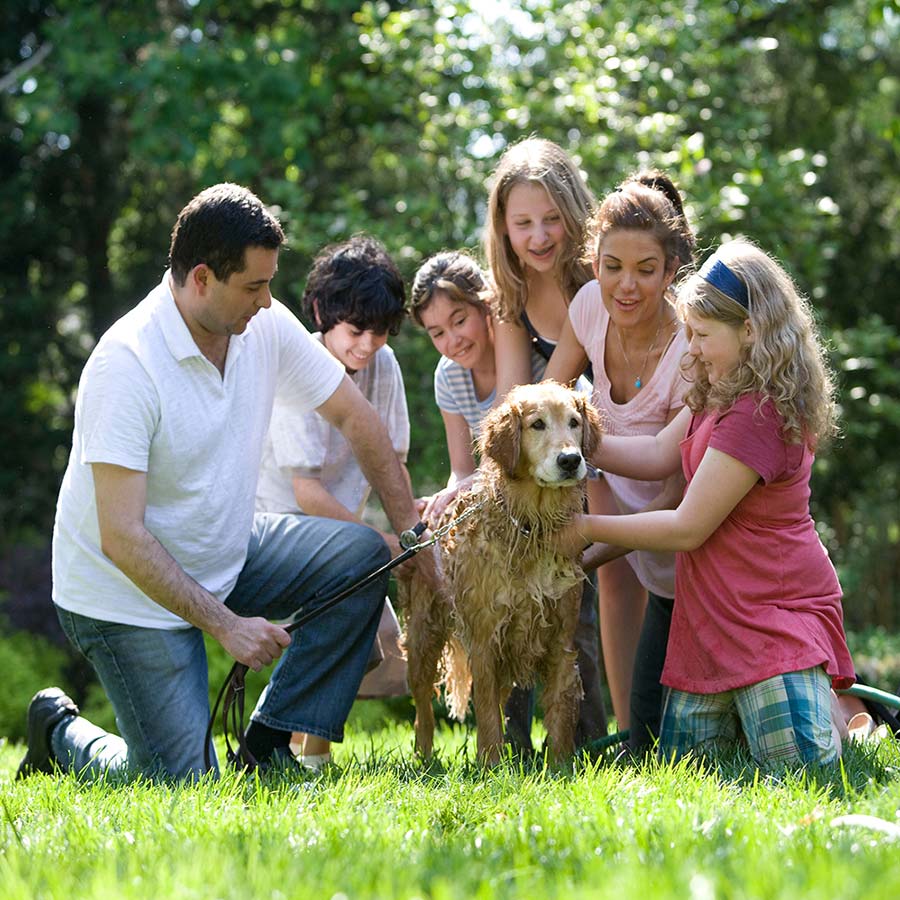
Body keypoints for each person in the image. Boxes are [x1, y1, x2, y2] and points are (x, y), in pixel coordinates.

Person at [16, 183, 434, 782]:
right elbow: (122, 536)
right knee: (182, 783)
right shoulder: (125, 365)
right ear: (203, 278)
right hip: (124, 594)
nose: (267, 303)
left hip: (226, 548)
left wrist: (413, 537)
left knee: (361, 555)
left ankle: (266, 751)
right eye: (255, 287)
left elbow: (354, 417)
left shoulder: (260, 325)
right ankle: (59, 732)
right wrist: (226, 625)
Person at [559, 239, 855, 767]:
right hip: (711, 625)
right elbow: (653, 453)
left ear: (750, 331)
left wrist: (583, 527)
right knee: (687, 775)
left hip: (771, 622)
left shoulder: (759, 413)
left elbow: (687, 528)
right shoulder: (718, 389)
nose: (688, 349)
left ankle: (848, 722)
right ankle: (827, 711)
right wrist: (566, 437)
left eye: (700, 334)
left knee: (797, 768)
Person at [409, 249, 608, 749]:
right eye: (437, 332)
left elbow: (571, 438)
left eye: (460, 319)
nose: (453, 339)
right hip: (493, 510)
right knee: (495, 626)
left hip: (556, 516)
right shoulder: (448, 377)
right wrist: (449, 498)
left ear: (486, 307)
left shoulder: (538, 368)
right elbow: (463, 466)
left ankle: (584, 743)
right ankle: (503, 746)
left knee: (575, 632)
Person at [545, 170, 696, 750]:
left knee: (700, 738)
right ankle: (633, 738)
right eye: (612, 267)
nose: (625, 286)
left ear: (672, 271)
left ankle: (852, 712)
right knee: (645, 738)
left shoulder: (693, 344)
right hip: (637, 552)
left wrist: (581, 550)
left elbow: (673, 491)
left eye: (645, 270)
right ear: (594, 261)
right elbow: (545, 399)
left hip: (698, 559)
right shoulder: (588, 308)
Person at [255, 235, 411, 769]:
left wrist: (410, 536)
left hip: (344, 535)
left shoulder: (382, 366)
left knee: (380, 641)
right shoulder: (295, 361)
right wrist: (382, 544)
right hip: (281, 529)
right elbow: (307, 493)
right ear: (322, 312)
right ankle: (300, 752)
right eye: (355, 330)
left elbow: (391, 462)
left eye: (381, 331)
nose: (367, 345)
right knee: (355, 617)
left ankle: (301, 749)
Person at [482, 137, 605, 750]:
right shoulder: (509, 298)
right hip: (556, 457)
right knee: (525, 566)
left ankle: (592, 736)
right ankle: (512, 738)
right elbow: (514, 397)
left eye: (552, 219)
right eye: (522, 222)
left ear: (575, 214)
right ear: (502, 227)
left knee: (582, 597)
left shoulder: (603, 275)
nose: (538, 236)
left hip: (610, 441)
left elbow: (571, 381)